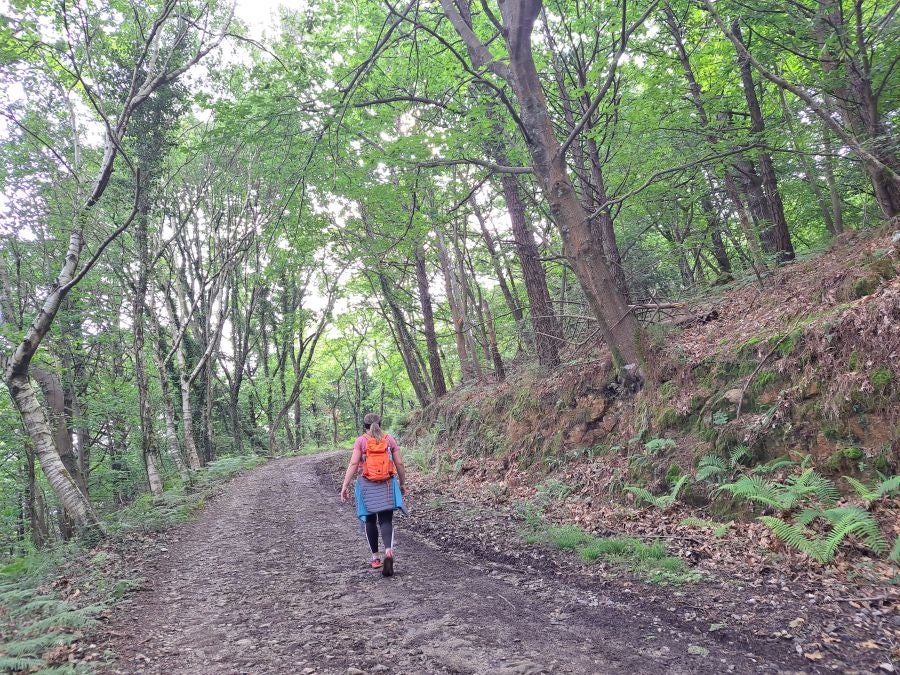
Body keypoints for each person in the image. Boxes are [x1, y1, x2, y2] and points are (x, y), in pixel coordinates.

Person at [340, 413, 407, 576]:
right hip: (387, 484)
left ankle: (376, 558)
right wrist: (403, 483)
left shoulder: (361, 441)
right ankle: (389, 551)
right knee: (385, 520)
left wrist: (345, 485)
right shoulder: (389, 439)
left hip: (366, 485)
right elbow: (399, 462)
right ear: (380, 424)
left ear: (364, 426)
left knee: (370, 520)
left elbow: (354, 463)